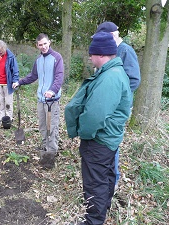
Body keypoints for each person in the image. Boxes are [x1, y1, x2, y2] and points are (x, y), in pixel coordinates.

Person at [65, 32, 132, 225]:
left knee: (95, 183)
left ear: (100, 54)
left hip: (99, 140)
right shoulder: (115, 72)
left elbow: (95, 115)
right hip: (108, 139)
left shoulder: (109, 77)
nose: (89, 57)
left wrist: (83, 133)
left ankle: (93, 220)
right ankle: (103, 209)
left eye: (91, 53)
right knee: (106, 177)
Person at [94, 21, 141, 187]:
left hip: (116, 109)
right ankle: (103, 179)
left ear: (112, 35)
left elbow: (134, 80)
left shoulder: (125, 50)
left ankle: (111, 183)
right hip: (105, 106)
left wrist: (115, 98)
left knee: (110, 142)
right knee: (103, 141)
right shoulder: (110, 50)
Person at [12, 33, 64, 169]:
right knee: (42, 126)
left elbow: (59, 77)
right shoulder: (39, 60)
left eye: (45, 43)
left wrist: (52, 90)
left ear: (49, 42)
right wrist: (20, 82)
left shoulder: (57, 58)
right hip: (41, 100)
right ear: (37, 46)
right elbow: (33, 76)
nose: (43, 47)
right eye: (40, 45)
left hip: (52, 101)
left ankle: (51, 153)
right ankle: (45, 147)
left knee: (51, 127)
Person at [0, 40, 19, 123]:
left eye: (0, 51)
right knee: (0, 101)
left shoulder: (10, 57)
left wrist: (15, 81)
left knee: (8, 103)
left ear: (5, 49)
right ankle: (1, 118)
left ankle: (9, 118)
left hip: (8, 83)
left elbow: (15, 70)